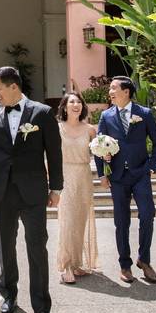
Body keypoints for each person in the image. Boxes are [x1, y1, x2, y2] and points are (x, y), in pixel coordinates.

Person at [0, 66, 64, 313]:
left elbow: (54, 153)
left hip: (34, 191)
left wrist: (56, 188)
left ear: (14, 87)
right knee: (6, 246)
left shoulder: (42, 113)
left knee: (37, 247)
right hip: (2, 191)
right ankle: (9, 294)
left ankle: (42, 308)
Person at [95, 75, 156, 284]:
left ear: (126, 91)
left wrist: (151, 168)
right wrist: (102, 173)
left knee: (147, 214)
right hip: (117, 176)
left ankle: (144, 259)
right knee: (121, 222)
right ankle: (125, 265)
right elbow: (98, 146)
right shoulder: (106, 116)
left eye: (114, 88)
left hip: (141, 173)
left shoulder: (144, 113)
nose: (110, 92)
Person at [56, 92, 98, 284]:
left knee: (80, 220)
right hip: (65, 176)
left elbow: (98, 153)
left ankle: (77, 262)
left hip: (83, 176)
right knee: (67, 220)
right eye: (72, 102)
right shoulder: (57, 128)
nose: (76, 105)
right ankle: (65, 265)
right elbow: (49, 157)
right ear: (64, 107)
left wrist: (106, 157)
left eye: (79, 102)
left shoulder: (90, 130)